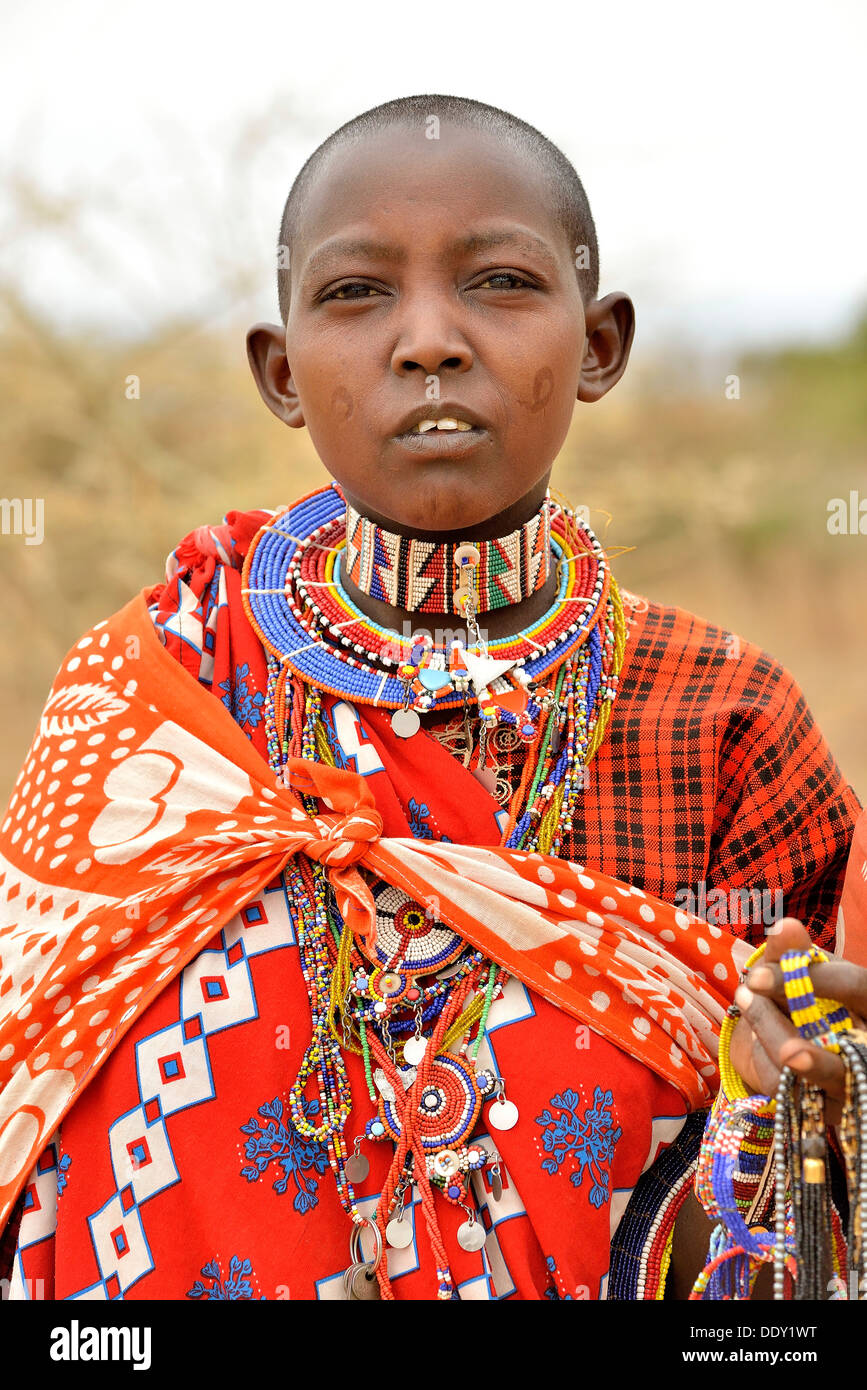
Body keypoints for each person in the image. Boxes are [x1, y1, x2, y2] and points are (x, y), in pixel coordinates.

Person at [0, 94, 860, 1303]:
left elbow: (826, 1107)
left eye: (501, 282)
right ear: (279, 370)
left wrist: (820, 1079)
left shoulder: (719, 717)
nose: (429, 341)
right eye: (356, 294)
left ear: (601, 345)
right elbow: (33, 1090)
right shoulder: (171, 695)